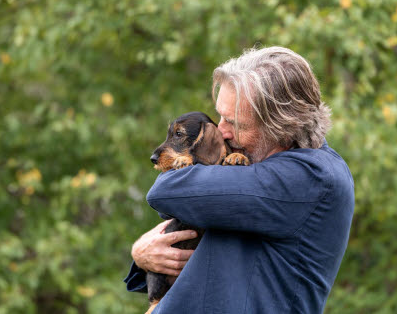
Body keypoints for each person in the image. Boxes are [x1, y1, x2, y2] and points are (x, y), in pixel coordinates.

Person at [124, 46, 355, 313]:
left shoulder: (310, 176)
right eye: (220, 116)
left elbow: (167, 190)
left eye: (234, 123)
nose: (221, 131)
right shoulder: (262, 168)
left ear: (278, 126)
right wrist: (143, 254)